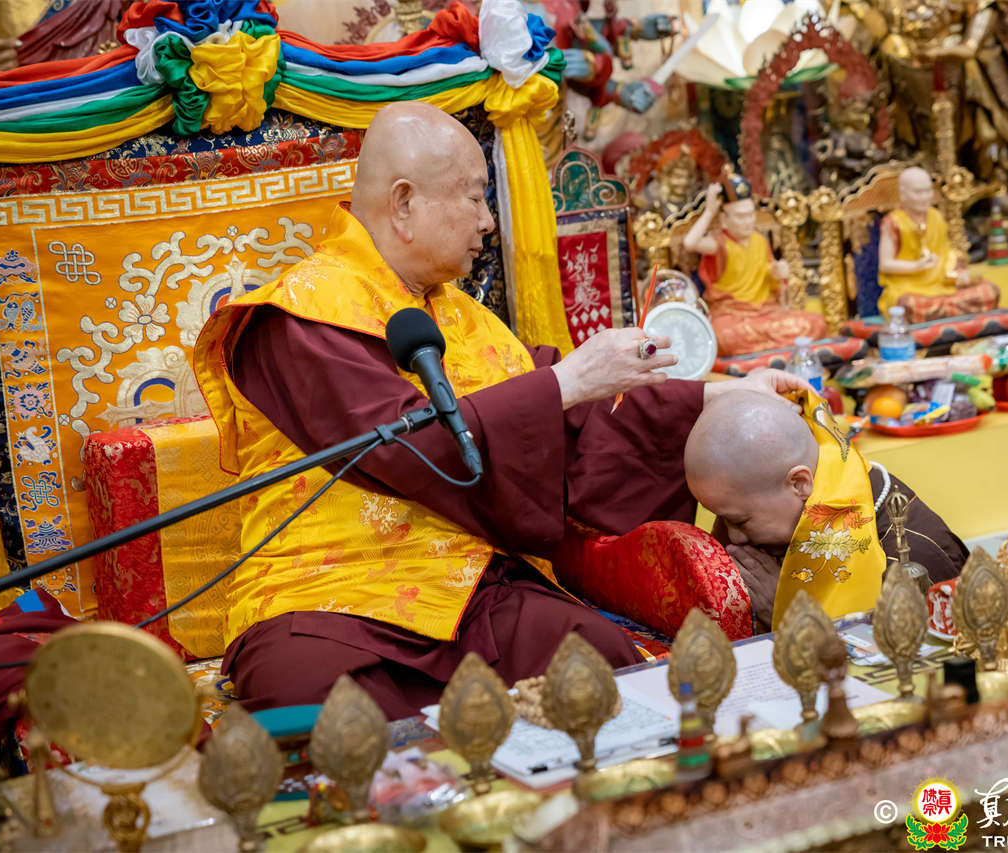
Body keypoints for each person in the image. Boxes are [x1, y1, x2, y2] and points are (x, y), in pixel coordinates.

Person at [191, 102, 809, 720]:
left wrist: (724, 394)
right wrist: (566, 381)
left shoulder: (462, 319)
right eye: (474, 198)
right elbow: (406, 450)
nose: (488, 220)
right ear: (404, 203)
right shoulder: (299, 315)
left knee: (599, 664)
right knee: (314, 707)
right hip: (327, 596)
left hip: (471, 586)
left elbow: (575, 420)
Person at [684, 390, 967, 631]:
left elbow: (915, 668)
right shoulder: (778, 506)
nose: (733, 538)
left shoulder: (911, 559)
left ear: (799, 483)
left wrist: (787, 614)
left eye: (740, 521)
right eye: (721, 517)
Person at [683, 167, 829, 356]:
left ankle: (764, 349)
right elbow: (689, 243)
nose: (747, 222)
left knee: (816, 322)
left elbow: (772, 284)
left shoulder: (760, 241)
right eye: (740, 216)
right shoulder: (720, 244)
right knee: (721, 336)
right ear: (724, 219)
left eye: (750, 215)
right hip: (732, 316)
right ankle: (779, 348)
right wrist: (710, 211)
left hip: (766, 313)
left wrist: (777, 273)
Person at [877, 166, 1000, 323]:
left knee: (989, 291)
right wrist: (917, 266)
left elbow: (946, 254)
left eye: (928, 191)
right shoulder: (893, 223)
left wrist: (957, 273)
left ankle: (943, 311)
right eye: (918, 192)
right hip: (909, 287)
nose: (924, 197)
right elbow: (885, 265)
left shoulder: (935, 217)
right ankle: (948, 312)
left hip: (942, 284)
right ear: (903, 194)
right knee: (909, 305)